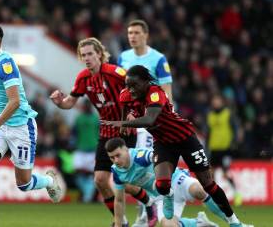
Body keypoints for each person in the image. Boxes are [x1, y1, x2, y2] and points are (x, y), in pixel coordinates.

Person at [101, 65, 253, 227]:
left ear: (146, 82)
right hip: (163, 143)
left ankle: (235, 222)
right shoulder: (126, 94)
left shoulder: (155, 94)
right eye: (128, 85)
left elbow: (150, 119)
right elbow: (125, 104)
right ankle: (168, 196)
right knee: (162, 185)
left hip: (185, 139)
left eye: (134, 85)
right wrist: (125, 122)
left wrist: (123, 122)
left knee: (208, 185)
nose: (130, 90)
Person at [0, 23, 62, 227]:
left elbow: (14, 102)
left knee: (24, 183)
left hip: (21, 126)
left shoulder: (6, 64)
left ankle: (49, 181)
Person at [50, 37, 138, 226]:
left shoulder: (116, 73)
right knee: (100, 180)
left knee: (126, 183)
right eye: (84, 55)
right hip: (106, 134)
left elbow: (138, 92)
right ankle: (120, 221)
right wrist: (60, 103)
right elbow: (70, 102)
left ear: (99, 53)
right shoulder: (83, 78)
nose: (87, 58)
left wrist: (131, 115)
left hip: (125, 133)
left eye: (90, 53)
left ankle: (149, 204)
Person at [118, 19, 173, 226]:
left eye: (136, 33)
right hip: (132, 119)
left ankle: (152, 210)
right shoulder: (124, 57)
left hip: (153, 120)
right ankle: (148, 210)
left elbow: (166, 89)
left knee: (149, 164)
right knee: (136, 165)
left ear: (146, 35)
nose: (132, 36)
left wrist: (167, 115)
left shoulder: (158, 58)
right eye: (130, 32)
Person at [106, 137, 224, 227]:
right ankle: (198, 223)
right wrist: (118, 225)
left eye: (118, 155)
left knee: (198, 190)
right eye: (112, 157)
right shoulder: (117, 172)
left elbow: (159, 158)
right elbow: (119, 200)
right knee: (168, 225)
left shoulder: (139, 156)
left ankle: (232, 220)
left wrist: (159, 177)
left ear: (126, 150)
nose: (115, 160)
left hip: (175, 180)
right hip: (161, 197)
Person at [207, 94, 242, 206]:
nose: (215, 103)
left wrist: (234, 142)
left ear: (222, 102)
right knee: (211, 175)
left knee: (226, 172)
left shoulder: (228, 114)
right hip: (213, 148)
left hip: (225, 148)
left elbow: (235, 128)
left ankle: (237, 194)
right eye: (214, 101)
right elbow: (208, 132)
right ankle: (214, 197)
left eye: (217, 100)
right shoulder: (210, 115)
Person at [72, 99, 98, 203]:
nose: (85, 107)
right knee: (77, 171)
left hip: (93, 150)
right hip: (80, 149)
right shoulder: (79, 118)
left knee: (93, 174)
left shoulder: (96, 118)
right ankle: (84, 192)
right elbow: (74, 132)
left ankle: (89, 196)